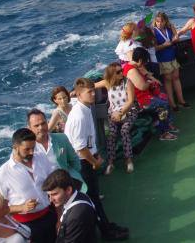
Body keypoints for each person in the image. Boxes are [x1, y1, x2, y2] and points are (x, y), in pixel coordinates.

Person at [64, 78, 128, 241]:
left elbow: (88, 141)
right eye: (89, 92)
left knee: (95, 197)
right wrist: (94, 162)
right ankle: (106, 231)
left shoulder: (85, 109)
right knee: (92, 199)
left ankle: (105, 225)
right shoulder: (79, 115)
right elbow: (79, 148)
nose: (93, 94)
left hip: (87, 158)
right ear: (78, 95)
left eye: (94, 90)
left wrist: (95, 154)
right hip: (82, 163)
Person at [0, 128, 57, 243]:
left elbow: (53, 181)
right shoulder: (2, 173)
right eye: (27, 149)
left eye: (33, 148)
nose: (31, 152)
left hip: (50, 215)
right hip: (26, 226)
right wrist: (22, 207)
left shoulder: (41, 158)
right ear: (15, 147)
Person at [27, 108, 86, 193]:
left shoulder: (61, 138)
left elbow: (74, 160)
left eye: (43, 123)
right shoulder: (28, 148)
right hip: (43, 191)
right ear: (29, 128)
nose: (41, 127)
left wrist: (70, 178)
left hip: (65, 187)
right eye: (36, 125)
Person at [123, 48, 177, 141]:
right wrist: (149, 82)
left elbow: (146, 74)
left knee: (164, 97)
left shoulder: (136, 66)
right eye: (144, 62)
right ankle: (164, 132)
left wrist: (153, 79)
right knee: (163, 105)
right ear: (140, 60)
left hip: (146, 96)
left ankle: (167, 124)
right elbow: (142, 87)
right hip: (141, 101)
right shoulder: (132, 71)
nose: (144, 64)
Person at [93, 63, 138, 174]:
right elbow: (91, 86)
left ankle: (128, 160)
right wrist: (76, 91)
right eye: (118, 72)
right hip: (113, 114)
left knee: (124, 131)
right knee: (111, 134)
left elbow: (130, 101)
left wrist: (121, 113)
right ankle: (111, 162)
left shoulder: (128, 82)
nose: (121, 73)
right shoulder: (107, 83)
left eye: (121, 70)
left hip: (129, 111)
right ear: (112, 74)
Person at [42, 169, 98, 243]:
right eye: (49, 195)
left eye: (54, 194)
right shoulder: (78, 196)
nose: (51, 200)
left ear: (68, 190)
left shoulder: (76, 215)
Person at [152, 12, 189, 112]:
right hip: (163, 59)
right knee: (168, 80)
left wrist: (174, 31)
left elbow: (175, 39)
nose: (159, 23)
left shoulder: (168, 29)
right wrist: (164, 45)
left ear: (165, 21)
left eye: (161, 21)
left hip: (173, 57)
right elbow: (154, 48)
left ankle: (181, 101)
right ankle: (172, 104)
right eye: (157, 21)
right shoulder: (154, 32)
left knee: (176, 78)